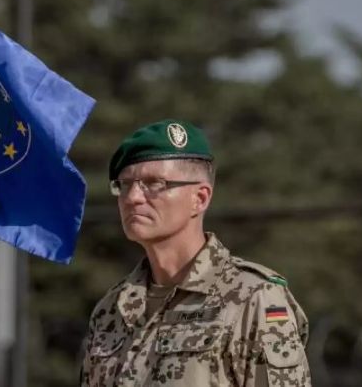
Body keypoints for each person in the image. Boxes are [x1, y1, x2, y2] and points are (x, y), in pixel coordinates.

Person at [80, 120, 310, 387]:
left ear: (200, 198)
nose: (132, 197)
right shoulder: (111, 309)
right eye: (124, 184)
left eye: (154, 183)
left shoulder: (252, 298)